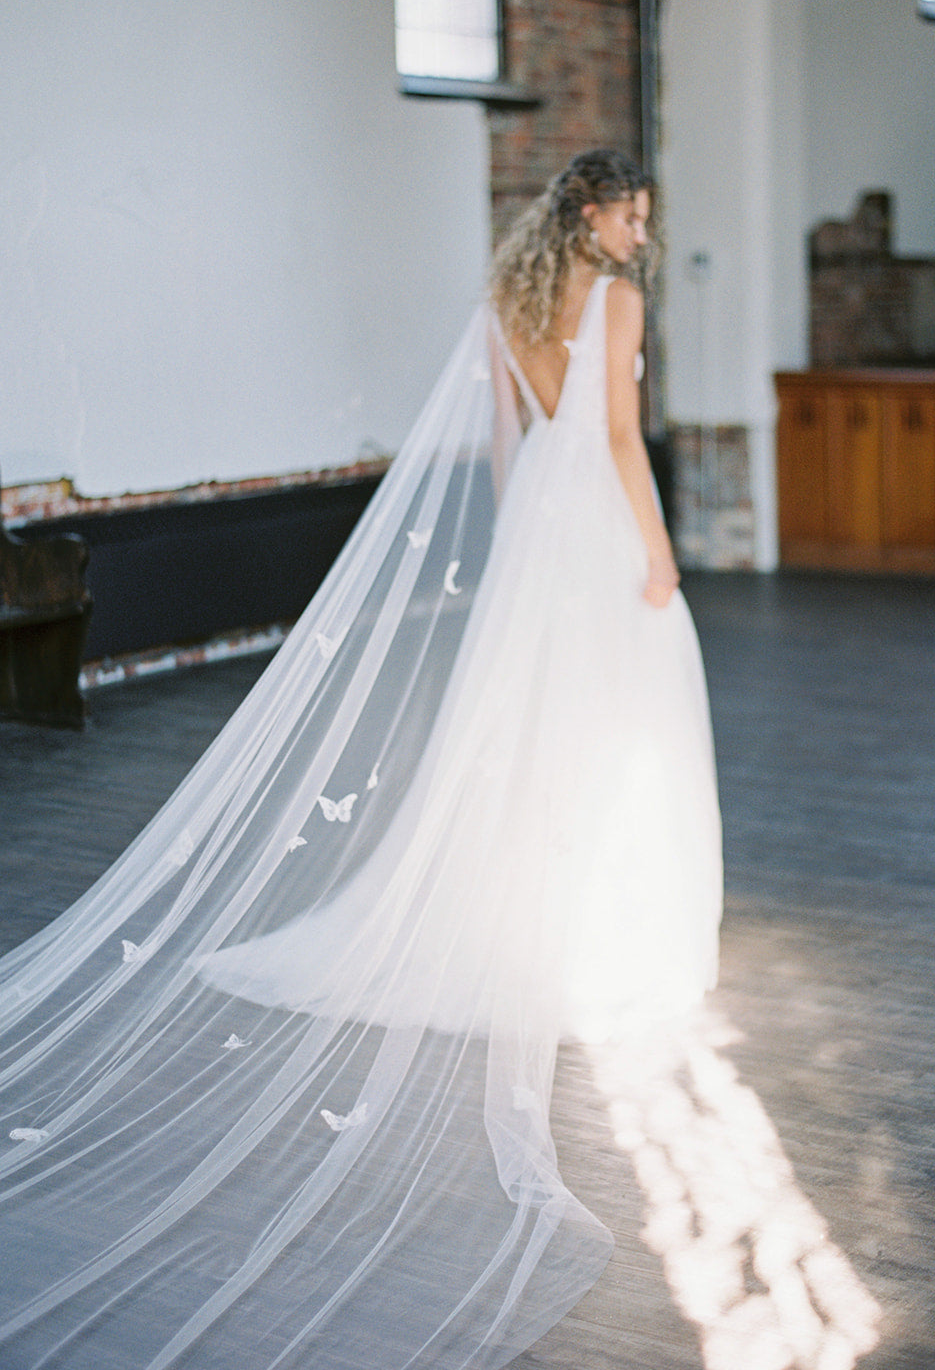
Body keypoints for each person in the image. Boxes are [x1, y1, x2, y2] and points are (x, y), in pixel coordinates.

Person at [0, 150, 722, 1369]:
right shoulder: (619, 298)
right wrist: (657, 552)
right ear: (591, 214)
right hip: (596, 517)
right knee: (621, 720)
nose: (643, 230)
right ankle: (607, 917)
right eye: (631, 211)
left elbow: (510, 448)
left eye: (646, 215)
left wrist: (519, 552)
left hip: (537, 526)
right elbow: (616, 436)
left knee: (527, 730)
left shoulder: (509, 301)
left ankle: (529, 900)